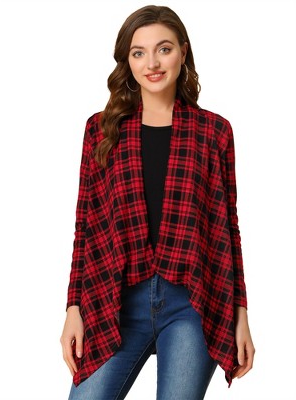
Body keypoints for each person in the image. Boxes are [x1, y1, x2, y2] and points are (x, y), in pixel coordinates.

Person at [60, 5, 255, 400]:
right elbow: (86, 223)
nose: (152, 63)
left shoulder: (213, 132)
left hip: (191, 304)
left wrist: (241, 315)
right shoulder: (102, 129)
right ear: (127, 61)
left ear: (183, 51)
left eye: (163, 49)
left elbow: (227, 228)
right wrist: (73, 308)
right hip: (115, 300)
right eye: (139, 52)